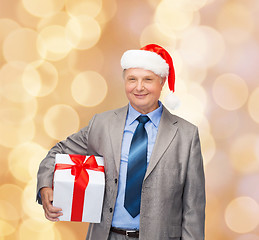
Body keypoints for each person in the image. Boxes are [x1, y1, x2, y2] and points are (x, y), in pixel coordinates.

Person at [37, 44, 206, 240]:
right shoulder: (103, 124)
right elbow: (58, 152)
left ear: (162, 82)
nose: (139, 87)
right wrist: (45, 186)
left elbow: (194, 208)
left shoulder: (186, 135)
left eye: (148, 80)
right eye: (132, 79)